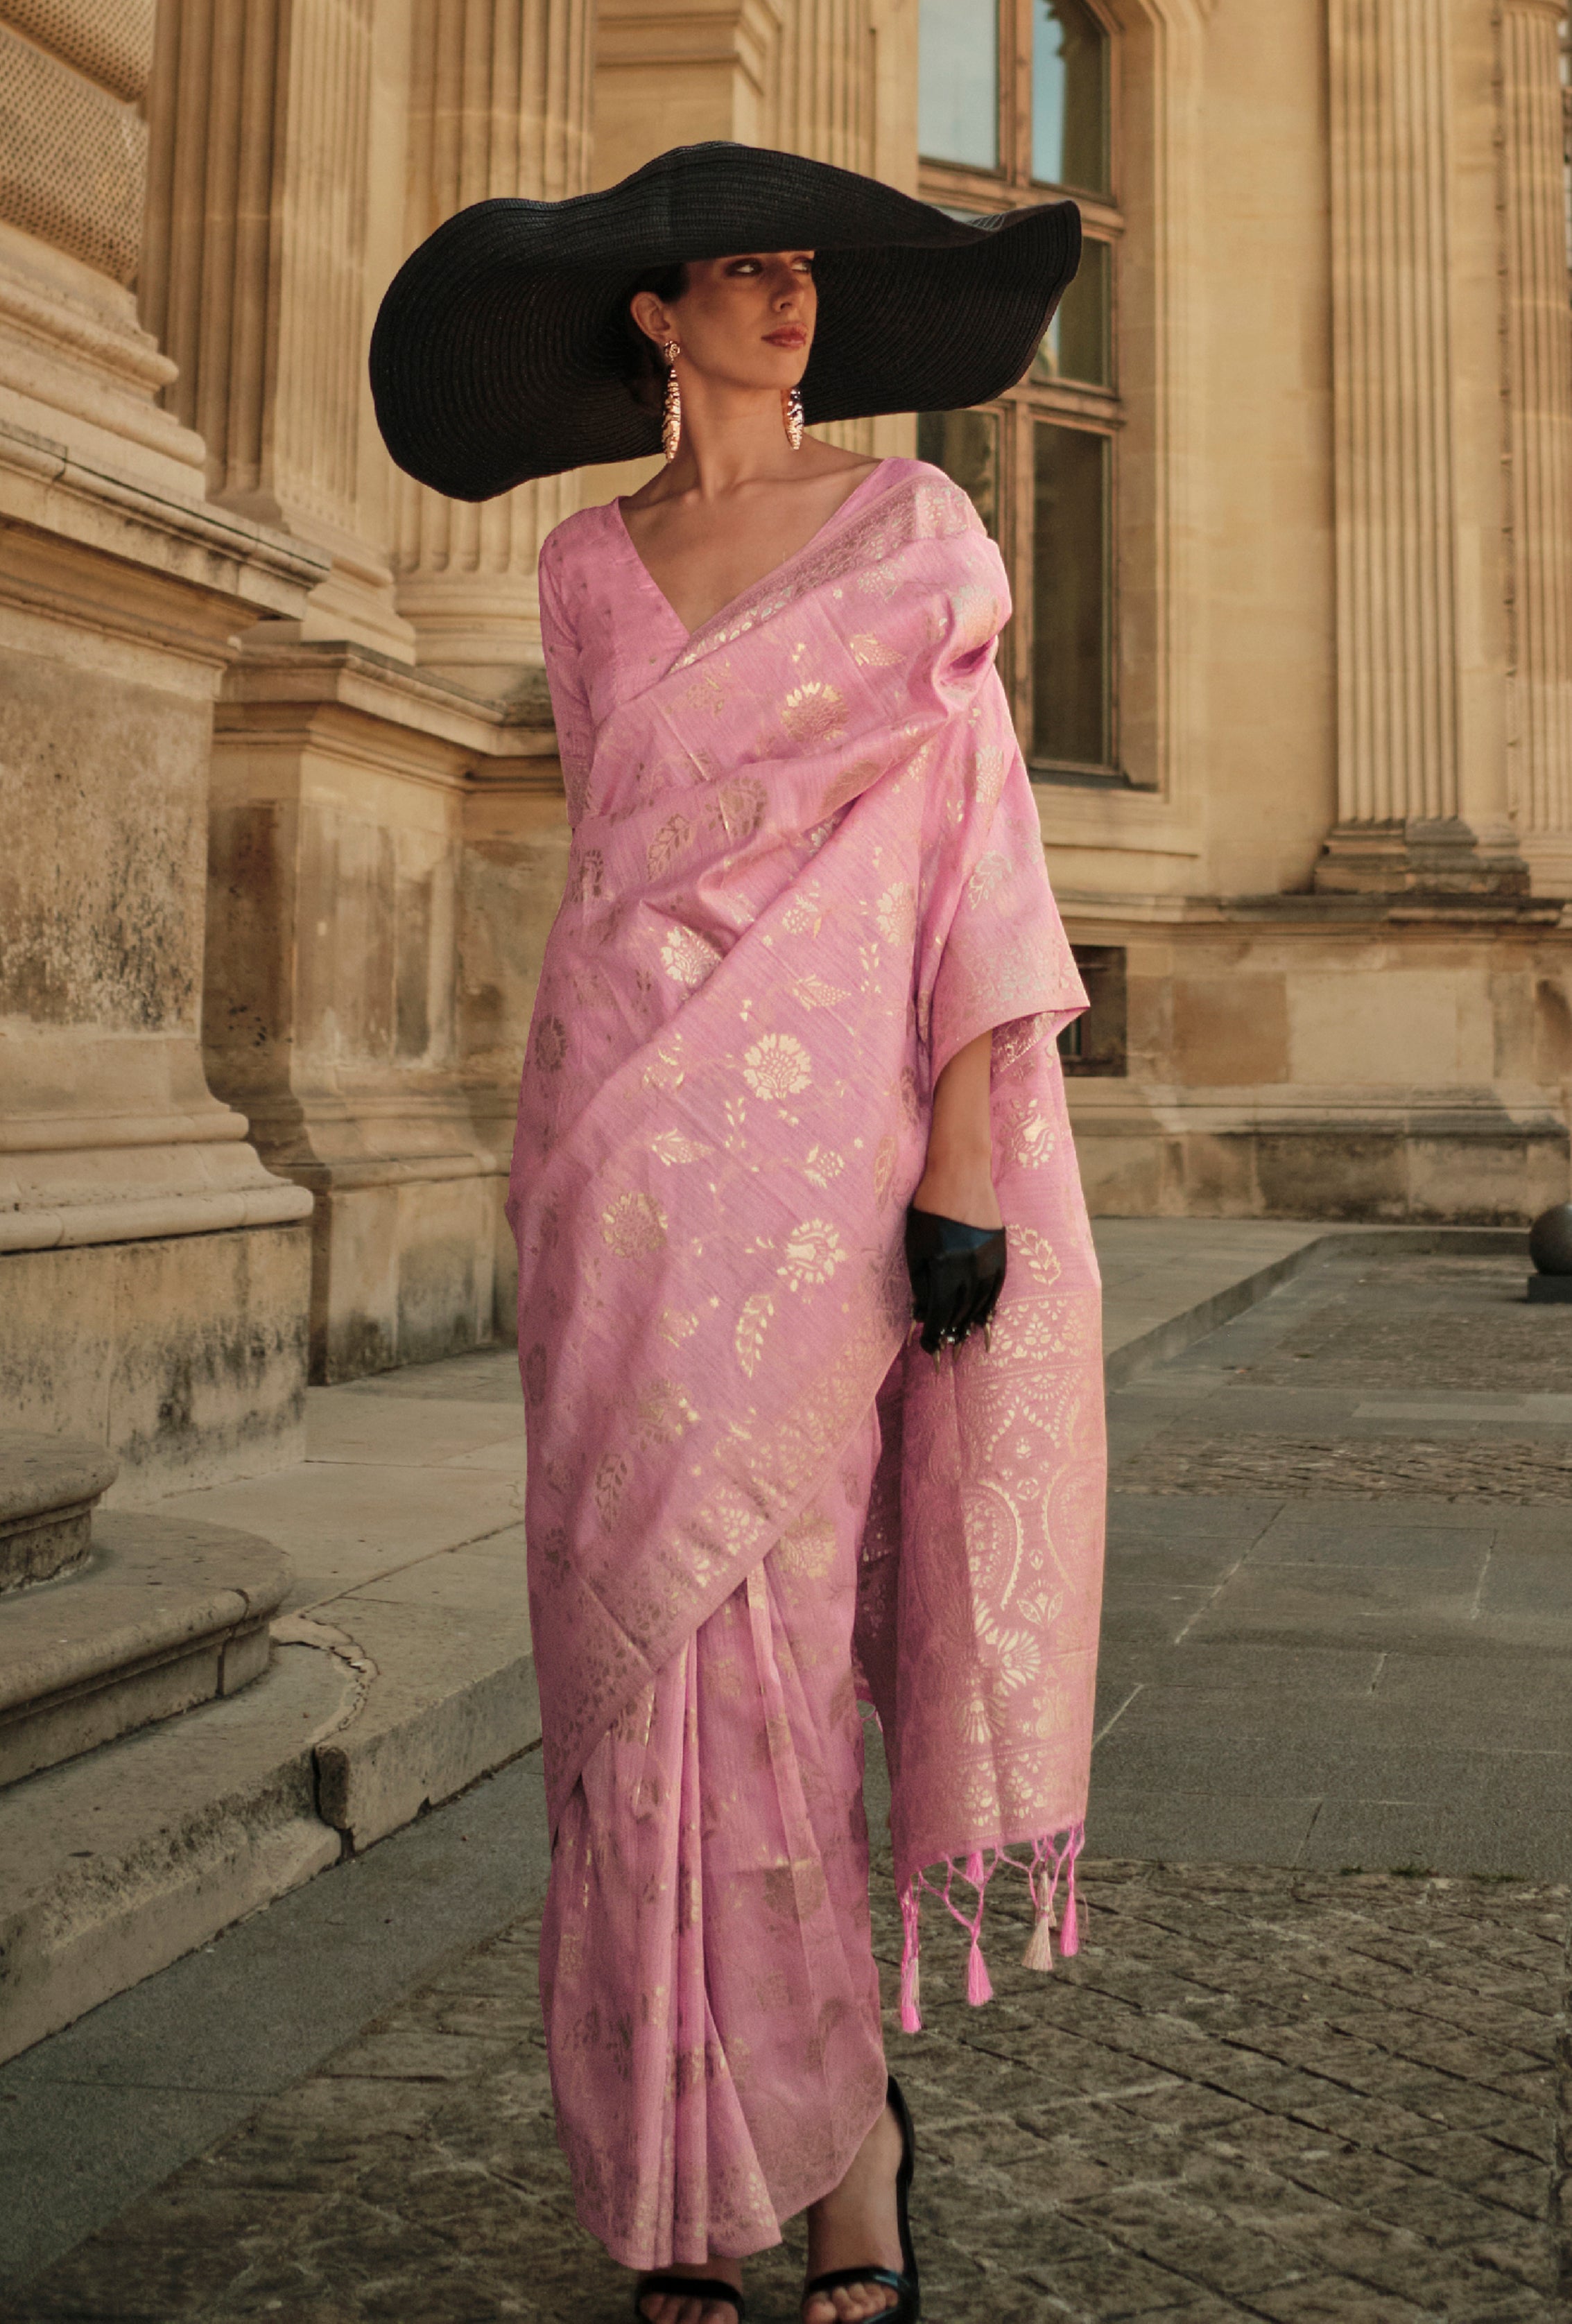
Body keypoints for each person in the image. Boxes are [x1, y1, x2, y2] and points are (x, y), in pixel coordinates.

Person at [371, 141, 1107, 2324]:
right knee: (629, 1692)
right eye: (745, 273)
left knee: (773, 1667)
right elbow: (618, 863)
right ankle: (684, 2188)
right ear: (653, 316)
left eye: (803, 272)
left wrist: (963, 1160)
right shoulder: (585, 574)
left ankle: (844, 2148)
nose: (790, 303)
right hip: (615, 1161)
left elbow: (969, 845)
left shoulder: (914, 530)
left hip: (824, 1177)